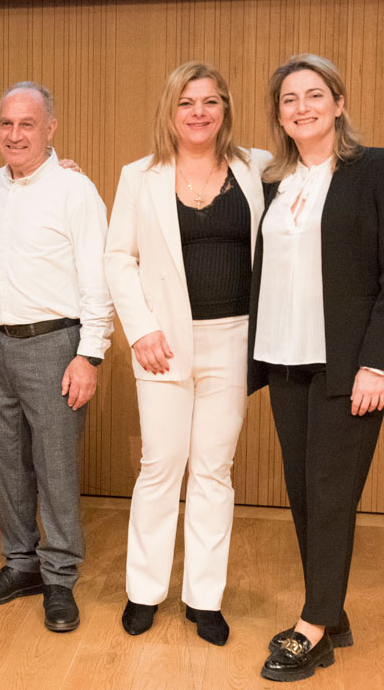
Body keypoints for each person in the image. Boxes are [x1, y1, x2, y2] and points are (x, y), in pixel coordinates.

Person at [250, 54, 384, 682]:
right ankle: (333, 612)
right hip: (283, 359)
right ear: (279, 115)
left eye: (314, 94)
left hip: (348, 366)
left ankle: (314, 630)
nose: (302, 107)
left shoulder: (383, 169)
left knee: (330, 494)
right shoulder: (271, 181)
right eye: (289, 99)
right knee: (304, 493)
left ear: (339, 102)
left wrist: (379, 363)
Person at [104, 62, 270, 646]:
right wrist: (141, 330)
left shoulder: (257, 168)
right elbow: (118, 257)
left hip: (234, 337)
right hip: (163, 342)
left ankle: (205, 598)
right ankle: (143, 591)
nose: (198, 112)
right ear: (170, 111)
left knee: (213, 469)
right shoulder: (138, 175)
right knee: (161, 465)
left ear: (225, 109)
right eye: (186, 102)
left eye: (210, 101)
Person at [0, 82, 113, 633]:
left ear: (50, 128)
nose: (14, 134)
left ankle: (59, 575)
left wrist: (89, 355)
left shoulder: (75, 191)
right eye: (6, 123)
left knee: (55, 466)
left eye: (27, 123)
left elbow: (97, 279)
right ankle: (21, 563)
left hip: (55, 345)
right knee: (6, 462)